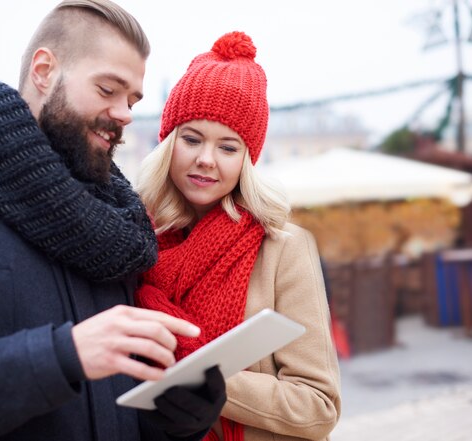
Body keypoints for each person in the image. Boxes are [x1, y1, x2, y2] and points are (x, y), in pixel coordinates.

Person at [0, 1, 226, 440]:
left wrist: (175, 419)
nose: (125, 113)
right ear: (44, 70)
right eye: (107, 90)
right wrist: (60, 356)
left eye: (132, 99)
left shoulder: (116, 231)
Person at [135, 31, 341, 441]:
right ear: (168, 144)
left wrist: (204, 383)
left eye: (228, 147)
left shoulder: (283, 249)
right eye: (191, 139)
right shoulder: (136, 246)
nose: (206, 160)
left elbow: (319, 407)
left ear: (247, 159)